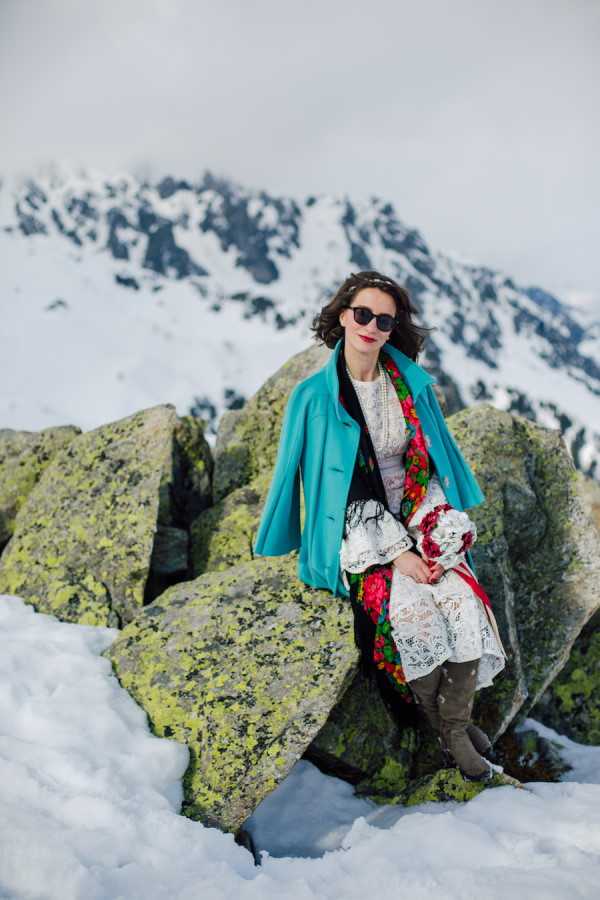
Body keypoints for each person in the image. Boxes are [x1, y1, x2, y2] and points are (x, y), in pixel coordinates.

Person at [253, 270, 508, 782]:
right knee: (412, 614)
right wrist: (397, 553)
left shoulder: (411, 386)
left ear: (394, 329)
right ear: (343, 316)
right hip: (357, 533)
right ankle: (451, 732)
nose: (370, 326)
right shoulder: (313, 397)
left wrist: (433, 529)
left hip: (417, 514)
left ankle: (454, 726)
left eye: (383, 319)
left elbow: (430, 463)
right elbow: (332, 487)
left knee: (461, 600)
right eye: (362, 314)